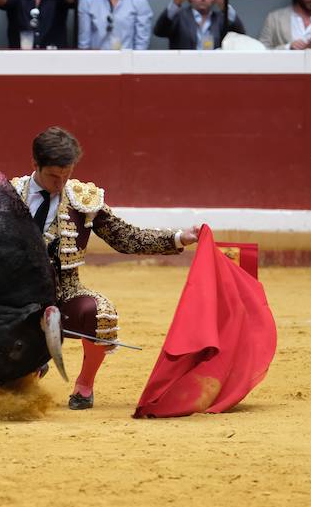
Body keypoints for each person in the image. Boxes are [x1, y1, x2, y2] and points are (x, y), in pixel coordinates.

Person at [11, 127, 200, 410]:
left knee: (101, 312)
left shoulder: (82, 199)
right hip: (14, 297)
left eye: (67, 174)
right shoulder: (9, 195)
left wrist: (177, 237)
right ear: (34, 164)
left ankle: (84, 387)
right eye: (53, 176)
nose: (61, 183)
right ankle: (30, 365)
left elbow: (126, 237)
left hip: (65, 292)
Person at [153, 0, 246, 50]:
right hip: (184, 67)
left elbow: (240, 34)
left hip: (213, 68)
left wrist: (224, 5)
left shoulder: (221, 19)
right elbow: (159, 31)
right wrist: (176, 1)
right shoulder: (179, 16)